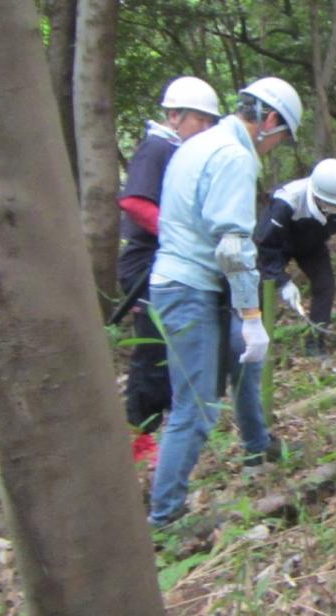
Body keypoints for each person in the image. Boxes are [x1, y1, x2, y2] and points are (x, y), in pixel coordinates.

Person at [147, 76, 303, 528]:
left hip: (196, 284)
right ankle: (166, 516)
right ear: (269, 121)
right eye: (283, 138)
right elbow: (233, 247)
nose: (277, 146)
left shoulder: (197, 143)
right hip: (189, 289)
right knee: (196, 407)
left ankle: (258, 445)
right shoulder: (235, 155)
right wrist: (252, 315)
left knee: (245, 358)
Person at [116, 76, 220, 464]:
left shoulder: (185, 154)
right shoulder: (157, 148)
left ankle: (174, 428)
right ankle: (139, 439)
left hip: (175, 262)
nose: (206, 128)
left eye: (212, 121)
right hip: (147, 264)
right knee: (151, 353)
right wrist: (181, 234)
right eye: (201, 119)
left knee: (178, 348)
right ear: (175, 115)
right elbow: (135, 204)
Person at [255, 158, 336, 353]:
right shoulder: (287, 201)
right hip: (279, 245)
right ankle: (255, 343)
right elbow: (264, 244)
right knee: (259, 290)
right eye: (331, 204)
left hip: (313, 246)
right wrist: (283, 281)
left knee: (326, 285)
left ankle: (315, 343)